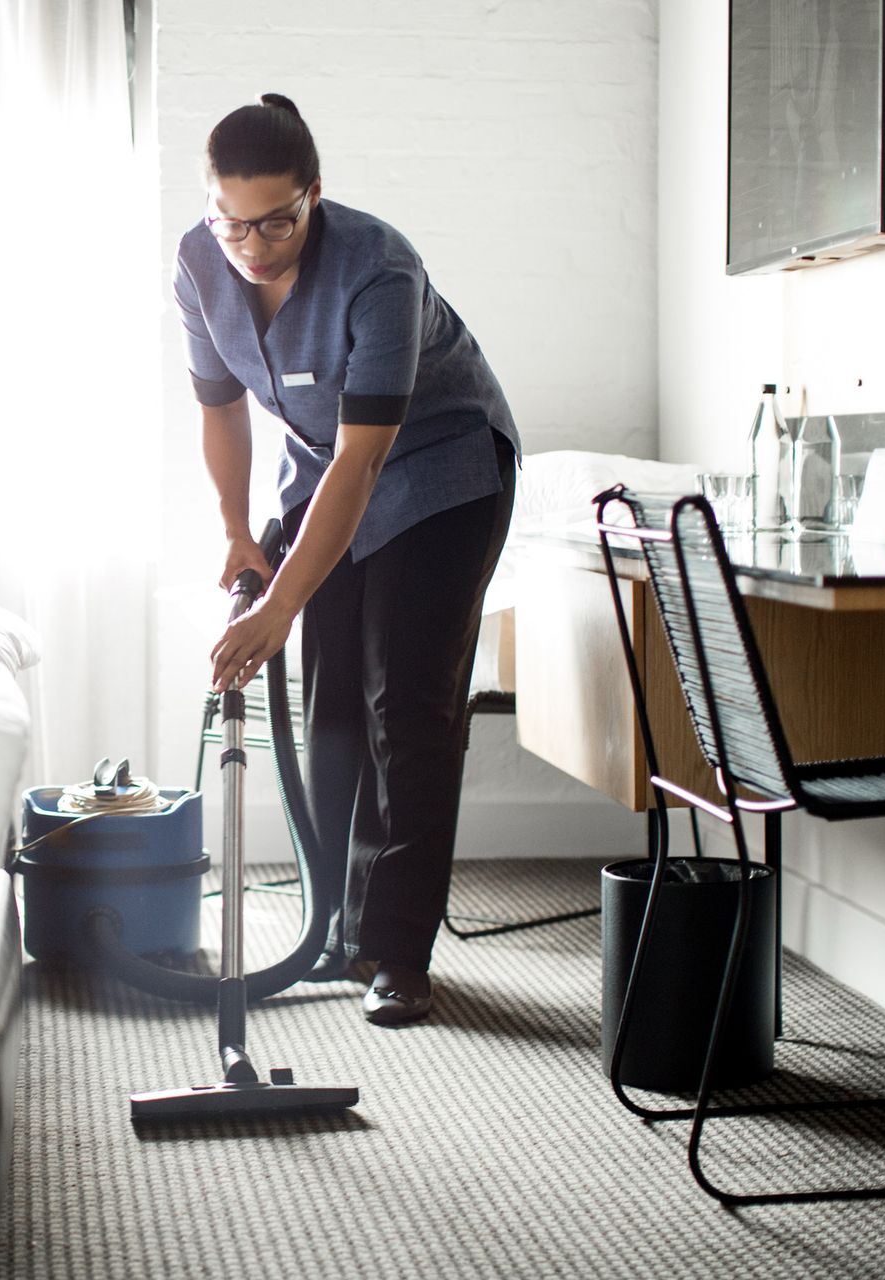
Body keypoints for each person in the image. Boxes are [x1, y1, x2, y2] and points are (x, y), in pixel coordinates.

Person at [176, 94, 520, 1026]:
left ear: (314, 197)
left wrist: (278, 605)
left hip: (440, 473)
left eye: (276, 221)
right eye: (230, 220)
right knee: (329, 704)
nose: (250, 243)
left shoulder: (378, 267)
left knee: (403, 702)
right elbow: (221, 409)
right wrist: (237, 532)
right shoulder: (201, 263)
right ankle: (334, 925)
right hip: (321, 476)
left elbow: (368, 456)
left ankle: (399, 952)